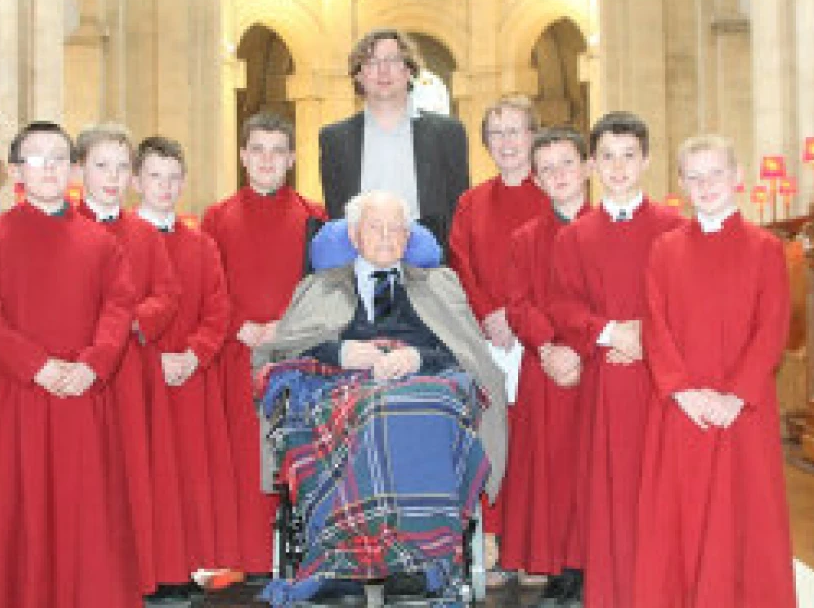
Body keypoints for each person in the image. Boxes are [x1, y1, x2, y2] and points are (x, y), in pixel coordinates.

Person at [253, 190, 507, 606]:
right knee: (372, 409)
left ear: (409, 238)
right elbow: (286, 348)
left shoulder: (441, 284)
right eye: (375, 226)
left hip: (427, 381)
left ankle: (417, 563)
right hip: (340, 384)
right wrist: (341, 352)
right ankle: (340, 564)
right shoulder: (318, 287)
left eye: (397, 229)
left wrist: (417, 356)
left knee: (417, 407)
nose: (387, 237)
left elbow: (467, 350)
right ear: (354, 235)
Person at [0, 121, 139, 607]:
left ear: (74, 169)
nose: (48, 168)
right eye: (36, 159)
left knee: (84, 515)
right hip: (14, 396)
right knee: (13, 511)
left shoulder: (101, 243)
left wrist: (93, 365)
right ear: (17, 170)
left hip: (82, 396)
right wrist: (35, 365)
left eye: (58, 158)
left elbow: (118, 309)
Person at [633, 135, 796, 608]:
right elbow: (655, 327)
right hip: (682, 409)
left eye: (716, 174)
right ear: (681, 183)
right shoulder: (664, 250)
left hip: (742, 411)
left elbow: (772, 329)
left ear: (737, 178)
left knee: (745, 517)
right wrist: (681, 392)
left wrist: (736, 396)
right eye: (695, 176)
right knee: (681, 518)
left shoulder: (766, 248)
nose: (706, 185)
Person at [550, 111, 685, 607]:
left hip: (660, 381)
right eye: (607, 156)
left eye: (629, 155)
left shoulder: (675, 229)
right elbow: (563, 305)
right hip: (605, 381)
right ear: (592, 165)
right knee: (611, 497)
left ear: (647, 160)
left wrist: (648, 335)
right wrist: (609, 332)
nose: (619, 167)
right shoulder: (574, 236)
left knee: (660, 492)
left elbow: (688, 302)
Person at [201, 112, 327, 576]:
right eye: (258, 150)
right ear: (242, 156)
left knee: (299, 451)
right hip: (238, 350)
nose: (267, 160)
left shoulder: (314, 216)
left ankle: (305, 556)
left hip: (297, 350)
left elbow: (325, 286)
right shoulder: (217, 217)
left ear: (291, 159)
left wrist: (287, 326)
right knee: (244, 453)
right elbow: (207, 284)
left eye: (277, 151)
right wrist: (239, 324)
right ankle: (250, 558)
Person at [133, 136, 245, 596]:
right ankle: (144, 569)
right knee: (146, 476)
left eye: (173, 178)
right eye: (154, 176)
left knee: (188, 475)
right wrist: (151, 359)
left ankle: (184, 569)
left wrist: (193, 354)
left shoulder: (200, 245)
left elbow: (218, 311)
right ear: (136, 180)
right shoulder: (118, 239)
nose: (164, 187)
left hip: (188, 375)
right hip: (138, 378)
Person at [74, 123, 180, 598]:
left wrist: (133, 322)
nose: (112, 178)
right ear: (81, 170)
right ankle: (85, 570)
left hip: (131, 368)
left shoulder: (144, 233)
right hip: (82, 367)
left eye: (121, 167)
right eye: (102, 166)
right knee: (86, 471)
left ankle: (137, 573)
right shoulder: (66, 227)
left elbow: (167, 293)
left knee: (134, 469)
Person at [447, 94, 552, 570]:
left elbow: (558, 265)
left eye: (516, 131)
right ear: (486, 143)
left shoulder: (553, 195)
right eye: (498, 133)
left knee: (535, 439)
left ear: (533, 136)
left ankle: (533, 539)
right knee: (490, 435)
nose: (507, 142)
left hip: (536, 337)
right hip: (484, 336)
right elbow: (460, 265)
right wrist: (489, 313)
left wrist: (517, 316)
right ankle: (490, 535)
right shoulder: (471, 202)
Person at [502, 126, 591, 606]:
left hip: (598, 367)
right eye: (547, 168)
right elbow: (518, 305)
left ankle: (602, 561)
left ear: (587, 167)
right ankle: (562, 567)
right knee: (555, 472)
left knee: (596, 471)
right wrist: (549, 348)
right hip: (547, 367)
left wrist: (580, 349)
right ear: (536, 180)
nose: (558, 175)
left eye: (566, 163)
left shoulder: (605, 227)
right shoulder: (526, 238)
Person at [319, 28, 469, 247]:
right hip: (360, 260)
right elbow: (337, 214)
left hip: (428, 262)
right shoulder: (334, 139)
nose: (383, 71)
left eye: (392, 60)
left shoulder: (447, 134)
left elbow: (458, 212)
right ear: (359, 75)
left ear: (408, 70)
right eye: (371, 63)